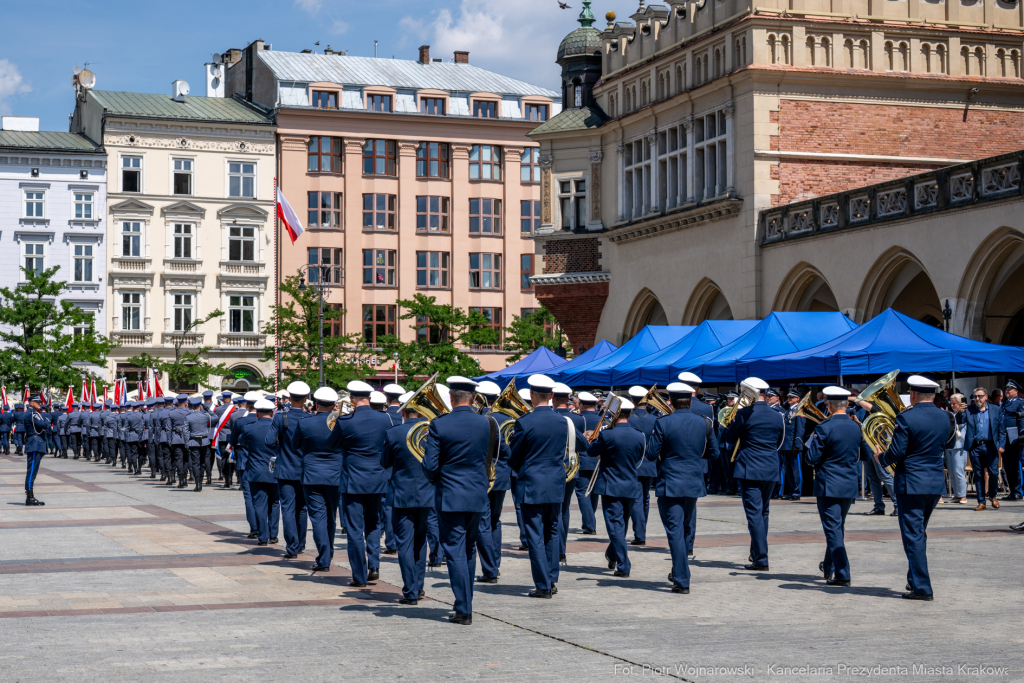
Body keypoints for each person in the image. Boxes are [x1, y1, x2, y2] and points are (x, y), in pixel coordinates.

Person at [875, 375, 956, 600]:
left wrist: (881, 457)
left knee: (913, 536)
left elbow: (897, 452)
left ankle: (922, 587)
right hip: (934, 482)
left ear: (912, 394)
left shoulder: (906, 417)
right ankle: (914, 580)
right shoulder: (945, 417)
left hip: (911, 483)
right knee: (919, 534)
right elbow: (948, 443)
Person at [422, 376, 495, 624]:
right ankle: (466, 600)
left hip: (450, 495)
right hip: (477, 494)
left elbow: (430, 466)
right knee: (468, 549)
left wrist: (438, 480)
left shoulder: (439, 424)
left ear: (451, 398)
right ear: (474, 398)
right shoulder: (487, 423)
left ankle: (464, 609)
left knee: (454, 551)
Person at [645, 382, 716, 593]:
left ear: (672, 402)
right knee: (685, 528)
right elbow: (714, 453)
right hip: (693, 479)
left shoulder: (663, 422)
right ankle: (680, 568)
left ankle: (682, 578)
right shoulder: (704, 422)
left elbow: (651, 453)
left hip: (671, 481)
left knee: (675, 530)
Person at [508, 374, 573, 598]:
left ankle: (543, 585)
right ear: (552, 396)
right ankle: (552, 578)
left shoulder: (524, 421)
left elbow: (513, 458)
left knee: (535, 535)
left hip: (531, 484)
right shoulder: (563, 421)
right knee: (552, 532)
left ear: (531, 396)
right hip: (555, 483)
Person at [329, 380, 393, 587]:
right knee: (373, 523)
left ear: (353, 399)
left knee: (355, 529)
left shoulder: (346, 421)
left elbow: (331, 445)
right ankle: (374, 565)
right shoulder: (385, 419)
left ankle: (359, 575)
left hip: (353, 480)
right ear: (370, 397)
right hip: (377, 478)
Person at [722, 377, 784, 571]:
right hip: (770, 467)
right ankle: (757, 553)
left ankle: (761, 557)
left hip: (750, 468)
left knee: (754, 514)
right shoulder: (777, 415)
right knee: (764, 512)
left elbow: (729, 438)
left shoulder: (745, 413)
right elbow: (779, 442)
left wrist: (733, 421)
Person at [805, 386, 862, 587]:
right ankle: (828, 566)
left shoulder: (824, 427)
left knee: (833, 529)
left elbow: (811, 458)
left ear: (828, 405)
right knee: (837, 527)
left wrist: (811, 442)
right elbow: (861, 454)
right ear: (846, 405)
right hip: (848, 483)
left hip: (829, 484)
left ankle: (843, 573)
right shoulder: (856, 426)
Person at [381, 393, 434, 604]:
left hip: (401, 494)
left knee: (404, 543)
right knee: (420, 542)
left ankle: (410, 590)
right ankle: (418, 587)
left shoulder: (394, 433)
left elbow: (384, 462)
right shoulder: (430, 433)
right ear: (421, 412)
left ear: (402, 412)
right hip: (426, 493)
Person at [589, 398, 645, 578]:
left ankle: (623, 565)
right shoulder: (639, 434)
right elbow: (638, 460)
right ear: (630, 414)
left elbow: (591, 451)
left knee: (615, 525)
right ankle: (613, 554)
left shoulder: (607, 434)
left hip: (611, 485)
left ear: (613, 414)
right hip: (630, 484)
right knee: (622, 524)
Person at [295, 387, 343, 571]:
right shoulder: (341, 422)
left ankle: (324, 557)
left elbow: (295, 444)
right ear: (334, 405)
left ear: (316, 404)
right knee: (331, 516)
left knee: (318, 518)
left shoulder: (305, 423)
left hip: (312, 474)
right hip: (335, 474)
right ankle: (328, 553)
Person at [265, 381, 312, 559]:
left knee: (288, 508)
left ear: (289, 398)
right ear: (306, 399)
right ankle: (300, 544)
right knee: (302, 508)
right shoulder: (309, 418)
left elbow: (269, 442)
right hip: (305, 470)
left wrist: (282, 446)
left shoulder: (280, 417)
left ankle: (291, 546)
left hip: (285, 468)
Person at [475, 380, 512, 583]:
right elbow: (506, 452)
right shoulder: (505, 417)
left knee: (483, 522)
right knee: (495, 521)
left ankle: (490, 568)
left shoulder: (479, 418)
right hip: (502, 474)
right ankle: (494, 563)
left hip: (482, 475)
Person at [554, 382, 588, 564]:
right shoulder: (578, 419)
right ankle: (562, 549)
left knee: (554, 511)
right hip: (571, 468)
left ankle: (555, 548)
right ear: (568, 400)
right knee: (564, 509)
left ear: (552, 397)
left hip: (552, 470)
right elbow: (583, 445)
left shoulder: (550, 417)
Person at [240, 399, 280, 545]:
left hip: (256, 471)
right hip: (275, 470)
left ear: (257, 413)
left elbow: (242, 442)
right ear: (272, 413)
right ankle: (274, 534)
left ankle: (262, 537)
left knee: (260, 504)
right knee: (275, 502)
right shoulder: (279, 428)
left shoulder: (249, 428)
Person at [964, 387, 1006, 511]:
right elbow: (961, 421)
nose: (977, 399)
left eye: (979, 396)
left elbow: (1001, 429)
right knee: (978, 474)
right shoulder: (969, 409)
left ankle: (993, 496)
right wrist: (960, 412)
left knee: (993, 473)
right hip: (975, 446)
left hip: (990, 445)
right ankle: (981, 501)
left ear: (986, 397)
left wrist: (1002, 445)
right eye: (975, 396)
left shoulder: (995, 410)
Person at [626, 386, 657, 548]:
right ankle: (641, 530)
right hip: (650, 464)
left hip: (634, 464)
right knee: (645, 498)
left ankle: (640, 534)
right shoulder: (654, 419)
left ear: (632, 401)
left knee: (637, 500)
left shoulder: (629, 419)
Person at [232, 393, 260, 536]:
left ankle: (254, 528)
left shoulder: (240, 421)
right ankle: (265, 528)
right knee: (263, 497)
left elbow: (232, 441)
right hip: (262, 463)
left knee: (248, 496)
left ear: (247, 405)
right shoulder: (267, 420)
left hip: (245, 461)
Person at [575, 391, 602, 534]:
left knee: (582, 493)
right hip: (597, 460)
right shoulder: (602, 419)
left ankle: (590, 524)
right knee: (593, 494)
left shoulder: (579, 419)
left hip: (584, 459)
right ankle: (588, 521)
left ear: (582, 405)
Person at [780, 389, 806, 501]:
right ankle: (791, 491)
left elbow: (800, 429)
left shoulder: (799, 411)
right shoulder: (788, 410)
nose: (789, 399)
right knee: (789, 470)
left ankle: (797, 492)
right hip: (786, 444)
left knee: (796, 470)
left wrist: (797, 444)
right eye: (788, 397)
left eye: (792, 397)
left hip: (794, 444)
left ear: (797, 399)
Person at [1000, 379, 1023, 501]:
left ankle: (1018, 491)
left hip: (1014, 438)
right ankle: (1012, 490)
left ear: (1016, 391)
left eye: (1010, 389)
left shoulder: (1020, 403)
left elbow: (1022, 421)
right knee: (1007, 466)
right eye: (1006, 389)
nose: (1007, 391)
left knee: (1016, 465)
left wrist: (1021, 437)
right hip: (1005, 439)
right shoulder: (1003, 404)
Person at [23, 395, 48, 506]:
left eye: (40, 402)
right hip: (35, 444)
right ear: (31, 403)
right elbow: (44, 425)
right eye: (37, 402)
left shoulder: (35, 414)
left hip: (37, 443)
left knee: (34, 471)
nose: (40, 403)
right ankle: (29, 497)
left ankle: (30, 496)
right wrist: (46, 418)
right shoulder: (32, 414)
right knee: (32, 471)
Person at [945, 393, 968, 504]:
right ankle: (957, 494)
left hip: (959, 445)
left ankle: (963, 495)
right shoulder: (951, 413)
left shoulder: (964, 414)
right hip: (949, 445)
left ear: (960, 404)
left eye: (955, 403)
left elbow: (960, 420)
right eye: (951, 403)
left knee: (959, 471)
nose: (952, 405)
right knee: (952, 472)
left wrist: (962, 411)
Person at [186, 397, 212, 492]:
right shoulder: (205, 415)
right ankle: (200, 481)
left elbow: (185, 431)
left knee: (195, 463)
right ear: (200, 405)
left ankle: (197, 484)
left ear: (192, 406)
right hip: (204, 441)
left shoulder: (188, 417)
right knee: (202, 462)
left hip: (193, 441)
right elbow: (216, 418)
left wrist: (186, 442)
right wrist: (208, 409)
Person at [124, 401, 143, 474]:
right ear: (139, 408)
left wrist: (127, 437)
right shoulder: (142, 415)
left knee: (133, 453)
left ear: (132, 408)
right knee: (141, 453)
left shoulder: (129, 416)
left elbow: (126, 428)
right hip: (141, 436)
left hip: (132, 436)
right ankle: (139, 468)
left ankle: (135, 468)